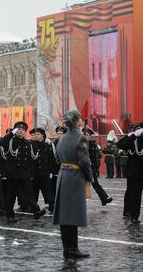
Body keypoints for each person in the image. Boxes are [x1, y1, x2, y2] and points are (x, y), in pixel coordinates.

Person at [53, 110, 92, 259]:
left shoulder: (62, 138)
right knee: (73, 214)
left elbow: (57, 159)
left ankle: (67, 249)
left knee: (65, 215)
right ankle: (73, 249)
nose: (82, 120)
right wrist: (89, 177)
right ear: (76, 122)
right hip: (75, 177)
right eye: (80, 119)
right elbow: (84, 162)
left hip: (63, 175)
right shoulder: (80, 138)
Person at [1, 121, 46, 223]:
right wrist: (12, 133)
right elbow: (2, 143)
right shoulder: (10, 141)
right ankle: (10, 215)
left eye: (22, 130)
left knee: (30, 193)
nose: (21, 131)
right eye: (19, 129)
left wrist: (31, 174)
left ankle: (36, 212)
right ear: (15, 131)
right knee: (11, 195)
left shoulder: (27, 143)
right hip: (13, 173)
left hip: (25, 172)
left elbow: (30, 160)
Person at [84, 129, 113, 206]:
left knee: (96, 184)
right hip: (82, 169)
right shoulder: (80, 144)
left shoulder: (93, 145)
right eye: (85, 135)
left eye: (87, 135)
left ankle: (104, 198)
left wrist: (96, 169)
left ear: (90, 136)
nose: (86, 136)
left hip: (91, 168)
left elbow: (94, 159)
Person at [30, 128, 56, 212]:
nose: (36, 136)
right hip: (35, 172)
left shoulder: (47, 146)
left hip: (45, 172)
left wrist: (52, 171)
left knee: (47, 189)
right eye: (35, 134)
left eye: (38, 134)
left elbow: (51, 160)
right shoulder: (31, 145)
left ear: (42, 135)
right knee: (34, 190)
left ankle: (51, 204)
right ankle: (33, 206)